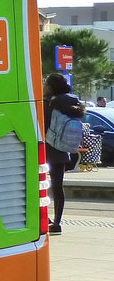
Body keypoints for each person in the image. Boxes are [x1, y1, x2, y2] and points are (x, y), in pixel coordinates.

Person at [44, 73, 85, 235]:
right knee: (58, 187)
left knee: (36, 185)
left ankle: (44, 218)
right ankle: (57, 222)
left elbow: (43, 125)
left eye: (46, 84)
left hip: (47, 148)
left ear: (51, 87)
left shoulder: (49, 103)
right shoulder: (72, 102)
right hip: (62, 149)